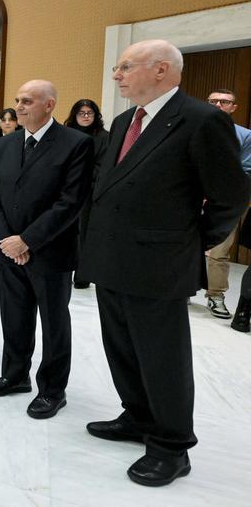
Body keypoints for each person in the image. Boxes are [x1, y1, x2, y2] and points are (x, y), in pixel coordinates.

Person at [78, 40, 247, 487]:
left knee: (162, 358)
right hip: (112, 259)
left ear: (160, 70)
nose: (116, 75)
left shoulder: (202, 120)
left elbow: (231, 196)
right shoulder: (121, 121)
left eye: (124, 67)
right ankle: (137, 417)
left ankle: (172, 446)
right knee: (122, 349)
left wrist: (189, 242)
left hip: (159, 264)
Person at [0, 80, 93, 419]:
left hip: (50, 251)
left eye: (28, 100)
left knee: (54, 322)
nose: (20, 106)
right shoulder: (8, 144)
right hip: (8, 249)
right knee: (14, 316)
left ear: (49, 105)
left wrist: (26, 240)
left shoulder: (76, 144)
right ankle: (15, 376)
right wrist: (7, 240)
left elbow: (70, 202)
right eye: (18, 100)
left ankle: (52, 390)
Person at [203, 88, 251, 318]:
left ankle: (216, 295)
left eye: (225, 102)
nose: (219, 105)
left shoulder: (245, 135)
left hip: (223, 202)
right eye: (213, 101)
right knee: (180, 245)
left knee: (219, 251)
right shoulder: (190, 130)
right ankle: (178, 290)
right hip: (187, 198)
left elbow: (246, 170)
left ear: (234, 107)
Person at [63, 98, 110, 289]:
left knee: (85, 234)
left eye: (89, 113)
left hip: (90, 192)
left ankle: (82, 275)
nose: (85, 116)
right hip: (65, 190)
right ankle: (64, 271)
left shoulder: (104, 137)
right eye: (81, 113)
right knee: (64, 232)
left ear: (95, 116)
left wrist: (79, 174)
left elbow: (104, 165)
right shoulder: (65, 135)